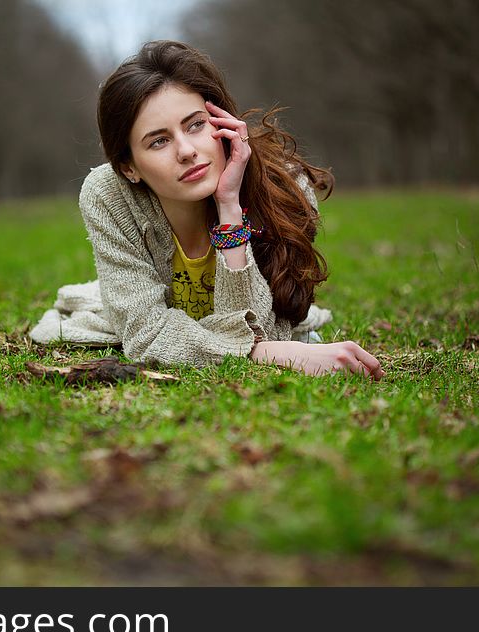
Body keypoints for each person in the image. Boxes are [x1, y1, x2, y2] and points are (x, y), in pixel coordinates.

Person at [37, 40, 384, 380]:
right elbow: (148, 336)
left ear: (222, 121)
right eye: (159, 141)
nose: (186, 150)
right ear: (129, 167)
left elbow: (259, 325)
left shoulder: (286, 188)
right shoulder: (109, 195)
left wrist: (229, 206)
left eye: (195, 125)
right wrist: (261, 353)